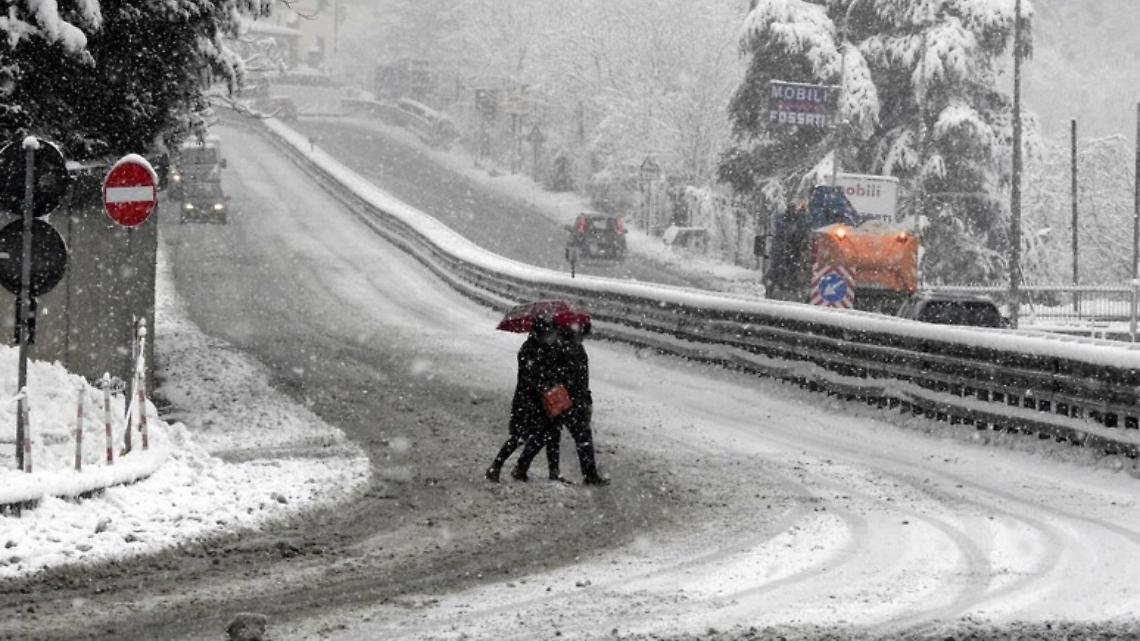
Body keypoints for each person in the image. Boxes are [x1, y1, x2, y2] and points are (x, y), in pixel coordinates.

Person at [512, 320, 609, 486]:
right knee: (574, 436)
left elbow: (580, 378)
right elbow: (571, 377)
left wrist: (584, 396)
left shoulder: (567, 346)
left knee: (550, 434)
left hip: (566, 399)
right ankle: (588, 474)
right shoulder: (565, 348)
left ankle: (522, 467)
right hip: (564, 399)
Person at [485, 315, 563, 482]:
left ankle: (519, 468)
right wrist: (544, 385)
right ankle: (497, 466)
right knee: (520, 436)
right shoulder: (529, 350)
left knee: (545, 434)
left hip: (540, 400)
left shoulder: (547, 349)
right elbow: (530, 377)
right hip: (528, 400)